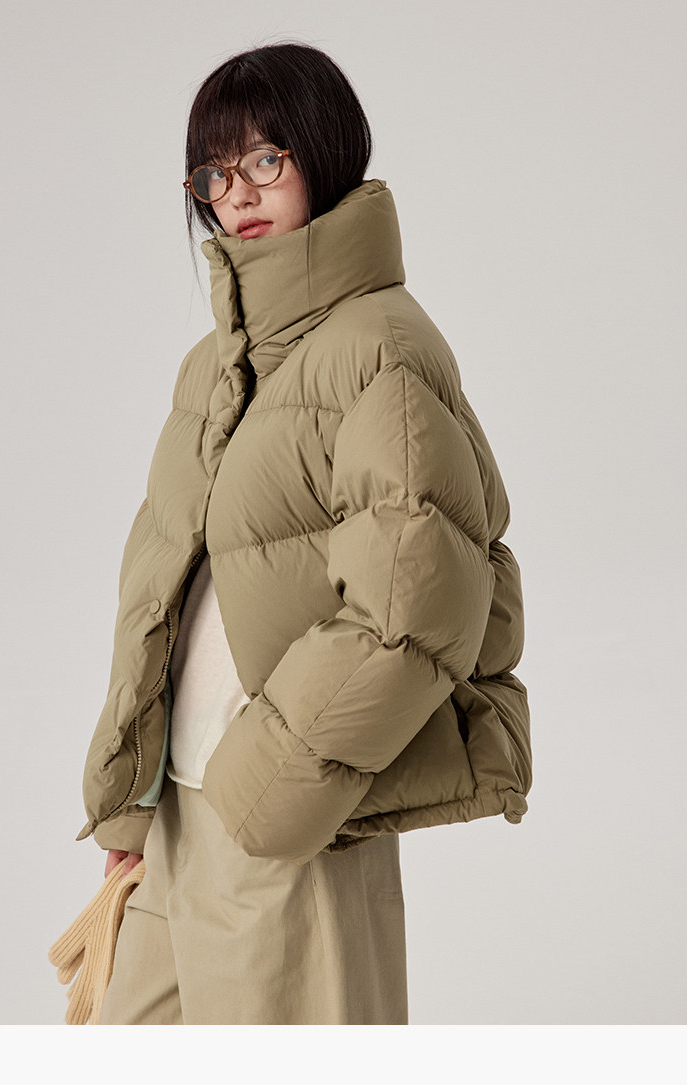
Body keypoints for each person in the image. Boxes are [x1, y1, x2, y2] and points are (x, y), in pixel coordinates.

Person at [76, 42, 531, 1026]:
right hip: (175, 823)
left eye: (264, 158)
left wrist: (271, 786)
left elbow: (414, 607)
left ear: (324, 152)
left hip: (288, 829)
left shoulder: (382, 348)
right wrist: (132, 803)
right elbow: (166, 589)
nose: (235, 191)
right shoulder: (214, 367)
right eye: (212, 172)